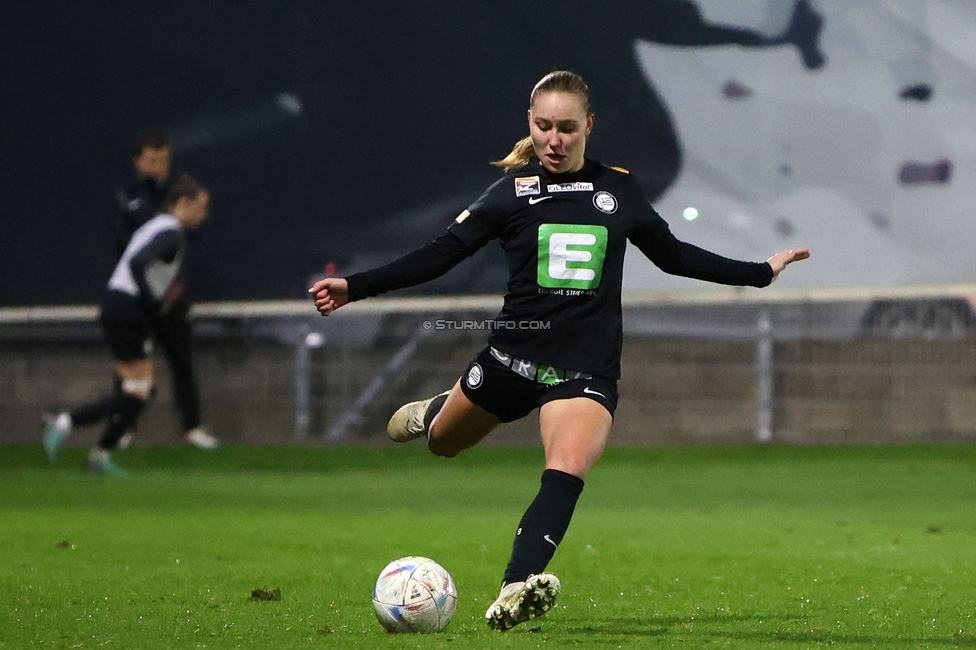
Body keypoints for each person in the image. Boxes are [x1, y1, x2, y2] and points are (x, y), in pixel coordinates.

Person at [309, 70, 809, 631]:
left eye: (567, 128)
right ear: (530, 124)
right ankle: (436, 410)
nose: (554, 139)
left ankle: (514, 588)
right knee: (444, 445)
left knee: (567, 466)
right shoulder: (511, 193)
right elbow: (440, 254)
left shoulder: (618, 189)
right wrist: (356, 286)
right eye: (544, 126)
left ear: (588, 127)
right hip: (509, 362)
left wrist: (760, 273)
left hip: (584, 369)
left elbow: (672, 255)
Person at [47, 133, 219, 451]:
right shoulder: (161, 224)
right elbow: (139, 262)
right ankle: (75, 425)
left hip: (131, 304)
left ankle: (98, 449)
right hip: (131, 306)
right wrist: (154, 301)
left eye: (163, 159)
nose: (204, 215)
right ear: (184, 204)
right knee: (137, 388)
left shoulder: (165, 221)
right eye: (201, 207)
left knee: (140, 387)